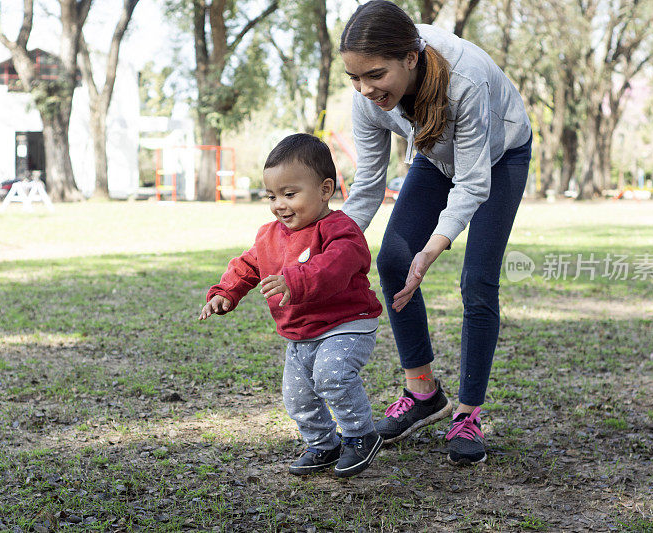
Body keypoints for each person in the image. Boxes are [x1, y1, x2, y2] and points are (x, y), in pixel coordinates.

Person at [339, 0, 532, 465]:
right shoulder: (369, 101)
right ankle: (423, 392)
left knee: (477, 280)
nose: (365, 89)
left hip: (499, 156)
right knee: (391, 260)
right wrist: (329, 245)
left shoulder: (463, 80)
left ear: (410, 57)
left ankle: (467, 414)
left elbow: (471, 182)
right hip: (434, 152)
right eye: (355, 78)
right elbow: (367, 184)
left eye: (375, 75)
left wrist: (433, 248)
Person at [199, 133, 384, 478]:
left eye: (290, 194)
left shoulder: (340, 230)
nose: (279, 205)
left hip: (346, 323)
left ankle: (361, 435)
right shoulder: (270, 234)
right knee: (297, 396)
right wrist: (226, 292)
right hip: (300, 331)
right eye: (272, 196)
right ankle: (323, 444)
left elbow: (337, 266)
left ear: (325, 190)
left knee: (332, 375)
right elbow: (249, 264)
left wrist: (295, 279)